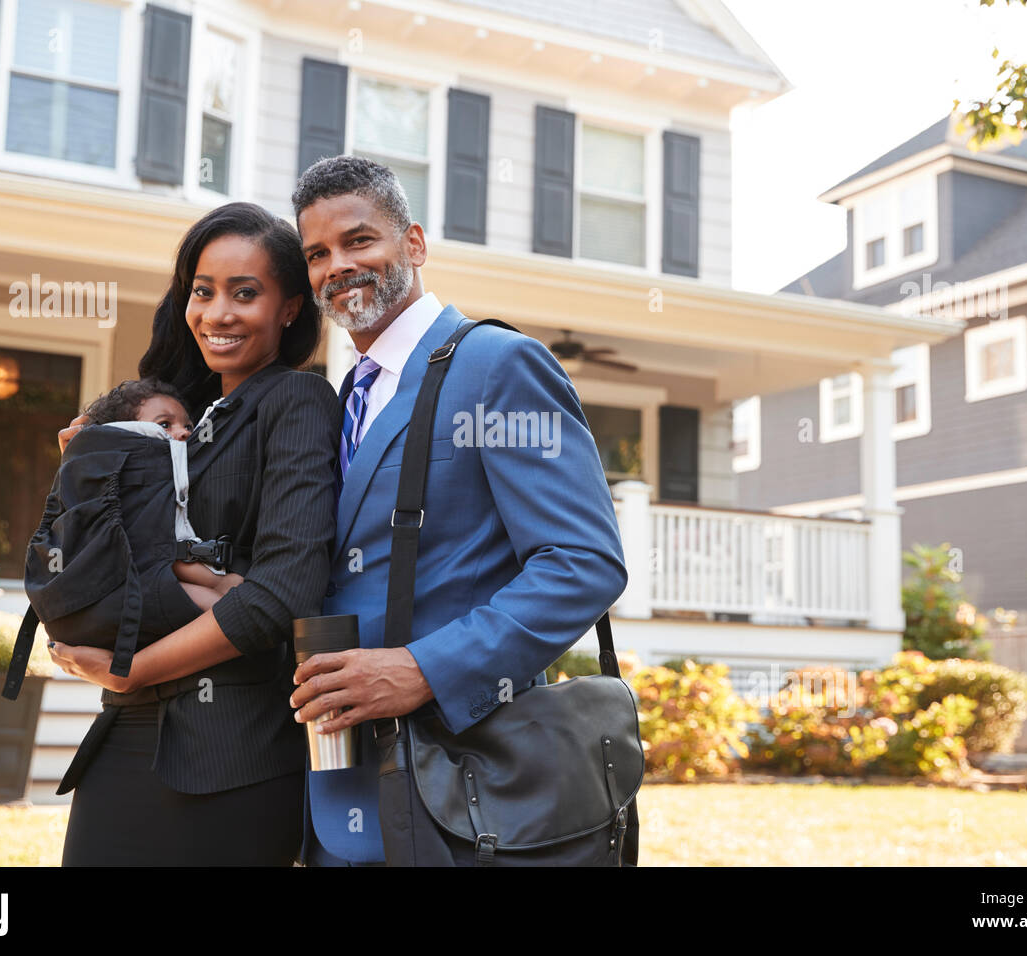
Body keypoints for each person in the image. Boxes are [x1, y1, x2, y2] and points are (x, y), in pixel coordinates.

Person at [287, 156, 628, 865]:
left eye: (359, 241)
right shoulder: (344, 395)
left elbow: (583, 563)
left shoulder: (498, 365)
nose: (337, 267)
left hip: (462, 789)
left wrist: (421, 668)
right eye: (317, 253)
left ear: (412, 244)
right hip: (335, 792)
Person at [48, 202, 339, 866]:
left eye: (246, 292)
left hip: (229, 753)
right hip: (126, 734)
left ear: (290, 307)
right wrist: (85, 470)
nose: (218, 313)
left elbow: (282, 595)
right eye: (202, 291)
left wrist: (133, 666)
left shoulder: (295, 401)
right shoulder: (173, 417)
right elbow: (98, 561)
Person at [80, 376, 242, 612]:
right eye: (165, 424)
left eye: (188, 425)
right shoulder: (130, 480)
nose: (185, 432)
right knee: (229, 612)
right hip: (139, 582)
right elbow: (154, 547)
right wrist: (217, 582)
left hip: (151, 583)